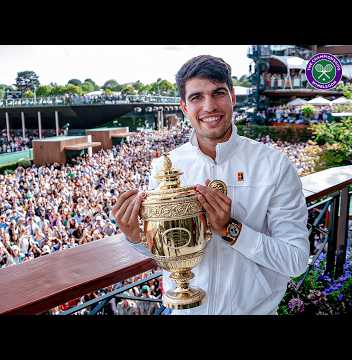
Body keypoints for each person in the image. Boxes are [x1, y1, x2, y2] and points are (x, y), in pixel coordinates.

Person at [113, 55, 309, 315]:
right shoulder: (164, 167)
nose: (209, 106)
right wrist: (135, 236)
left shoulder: (274, 165)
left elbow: (296, 261)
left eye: (218, 93)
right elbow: (167, 254)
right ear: (183, 106)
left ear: (233, 97)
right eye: (196, 97)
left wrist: (231, 230)